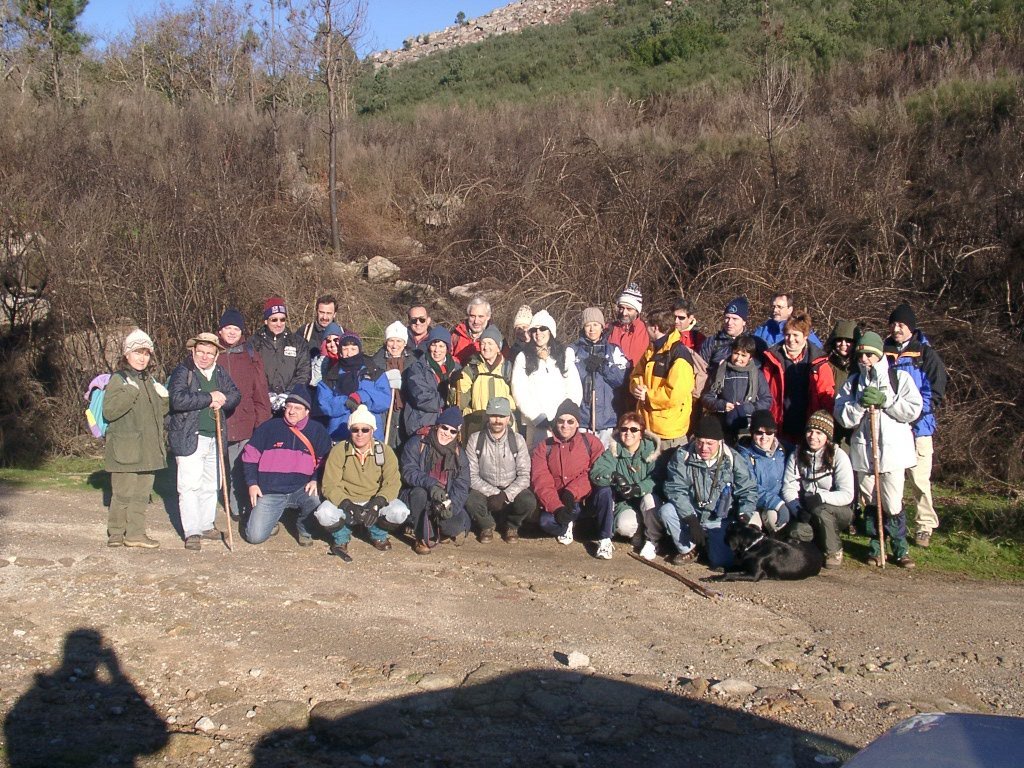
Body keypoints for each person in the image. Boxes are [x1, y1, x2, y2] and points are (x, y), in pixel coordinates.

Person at [835, 331, 923, 568]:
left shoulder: (899, 378)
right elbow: (843, 417)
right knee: (871, 500)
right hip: (865, 452)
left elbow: (913, 410)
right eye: (861, 355)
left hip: (893, 453)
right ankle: (876, 545)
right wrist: (859, 405)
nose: (864, 359)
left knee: (892, 501)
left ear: (879, 355)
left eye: (869, 355)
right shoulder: (852, 383)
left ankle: (900, 546)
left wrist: (887, 401)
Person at [167, 332, 241, 551]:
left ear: (216, 354)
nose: (205, 357)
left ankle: (206, 524)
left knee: (211, 484)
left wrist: (224, 399)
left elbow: (236, 394)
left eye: (210, 353)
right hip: (190, 436)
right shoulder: (184, 372)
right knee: (189, 485)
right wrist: (210, 398)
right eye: (201, 352)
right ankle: (192, 531)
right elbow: (177, 399)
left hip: (215, 436)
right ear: (193, 351)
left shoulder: (219, 373)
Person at [884, 302, 948, 548]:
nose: (896, 329)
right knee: (892, 481)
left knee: (919, 480)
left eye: (901, 324)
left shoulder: (925, 354)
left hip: (920, 428)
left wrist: (918, 414)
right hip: (892, 427)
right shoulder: (884, 351)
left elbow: (936, 389)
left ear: (911, 327)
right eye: (893, 324)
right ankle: (893, 526)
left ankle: (924, 526)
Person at [660, 416, 758, 568]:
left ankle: (709, 547)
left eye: (709, 444)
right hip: (691, 513)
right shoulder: (682, 456)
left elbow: (748, 490)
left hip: (719, 518)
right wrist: (691, 520)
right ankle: (689, 549)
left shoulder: (732, 458)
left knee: (721, 562)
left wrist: (744, 516)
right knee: (667, 510)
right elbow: (675, 489)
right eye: (700, 442)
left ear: (720, 442)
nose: (704, 448)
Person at [314, 405, 409, 562]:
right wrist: (347, 504)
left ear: (372, 430)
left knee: (400, 512)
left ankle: (377, 534)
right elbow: (329, 485)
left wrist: (378, 503)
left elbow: (392, 482)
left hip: (373, 498)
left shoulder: (384, 451)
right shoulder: (339, 450)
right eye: (355, 429)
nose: (359, 434)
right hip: (346, 498)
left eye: (365, 430)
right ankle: (341, 537)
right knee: (324, 514)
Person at [102, 329, 169, 548]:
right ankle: (116, 533)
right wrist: (129, 392)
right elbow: (109, 412)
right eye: (137, 352)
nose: (142, 358)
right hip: (126, 450)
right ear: (127, 355)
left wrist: (164, 399)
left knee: (141, 495)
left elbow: (158, 414)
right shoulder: (118, 380)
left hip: (148, 450)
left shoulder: (148, 380)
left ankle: (135, 534)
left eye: (146, 353)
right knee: (122, 494)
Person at [242, 386, 332, 546]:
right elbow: (249, 456)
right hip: (270, 491)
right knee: (254, 537)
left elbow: (325, 460)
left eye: (297, 408)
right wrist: (252, 483)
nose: (291, 411)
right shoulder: (269, 427)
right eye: (288, 406)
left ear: (307, 411)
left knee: (315, 499)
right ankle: (270, 520)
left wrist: (315, 479)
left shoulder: (317, 430)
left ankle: (304, 528)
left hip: (301, 489)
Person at [530, 400, 607, 557]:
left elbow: (595, 471)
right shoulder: (545, 447)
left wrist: (572, 491)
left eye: (570, 421)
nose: (565, 425)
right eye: (561, 421)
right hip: (559, 500)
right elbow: (541, 480)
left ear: (577, 423)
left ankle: (603, 536)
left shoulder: (590, 442)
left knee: (604, 492)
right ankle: (567, 525)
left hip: (584, 499)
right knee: (546, 522)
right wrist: (556, 507)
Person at [216, 309, 273, 520]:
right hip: (218, 420)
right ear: (220, 330)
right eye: (228, 328)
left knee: (240, 466)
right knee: (215, 469)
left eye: (236, 328)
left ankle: (237, 504)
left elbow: (260, 391)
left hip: (245, 419)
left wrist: (262, 422)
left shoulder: (250, 355)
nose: (232, 332)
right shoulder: (212, 353)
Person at [781, 411, 855, 568]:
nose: (812, 436)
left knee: (821, 510)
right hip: (807, 507)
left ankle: (834, 551)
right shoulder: (797, 454)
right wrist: (797, 509)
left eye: (819, 433)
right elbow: (789, 486)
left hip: (836, 510)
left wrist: (821, 497)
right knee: (796, 531)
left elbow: (847, 494)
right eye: (810, 431)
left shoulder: (839, 456)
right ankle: (818, 545)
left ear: (827, 436)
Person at [589, 411, 664, 560]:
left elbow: (657, 479)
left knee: (650, 499)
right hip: (626, 502)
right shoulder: (613, 450)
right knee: (624, 526)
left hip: (647, 499)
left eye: (634, 430)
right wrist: (614, 476)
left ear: (641, 433)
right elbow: (597, 472)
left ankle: (652, 540)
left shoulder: (651, 451)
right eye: (624, 429)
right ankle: (639, 532)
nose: (628, 433)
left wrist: (638, 488)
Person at [401, 406, 472, 554]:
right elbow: (408, 471)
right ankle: (421, 537)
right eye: (445, 428)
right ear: (438, 425)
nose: (447, 433)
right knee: (419, 493)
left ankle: (436, 528)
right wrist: (431, 485)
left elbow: (462, 486)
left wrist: (452, 506)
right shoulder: (418, 443)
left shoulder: (459, 454)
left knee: (454, 526)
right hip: (420, 495)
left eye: (453, 431)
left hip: (443, 500)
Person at [760, 310, 835, 445]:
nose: (791, 339)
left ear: (805, 336)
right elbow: (763, 390)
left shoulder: (819, 362)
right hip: (779, 423)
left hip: (808, 424)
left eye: (796, 335)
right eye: (787, 335)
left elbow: (826, 395)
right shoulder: (772, 358)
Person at [465, 397, 534, 543]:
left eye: (502, 416)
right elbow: (471, 475)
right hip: (485, 488)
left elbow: (524, 476)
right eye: (494, 416)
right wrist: (494, 493)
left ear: (508, 418)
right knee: (471, 499)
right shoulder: (475, 439)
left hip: (510, 487)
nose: (497, 420)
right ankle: (486, 525)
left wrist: (505, 495)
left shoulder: (517, 440)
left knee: (528, 501)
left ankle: (512, 526)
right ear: (487, 416)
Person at [511, 309, 583, 448]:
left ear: (550, 331)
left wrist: (566, 416)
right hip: (537, 425)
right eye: (534, 330)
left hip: (563, 424)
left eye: (543, 329)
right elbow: (519, 392)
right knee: (539, 464)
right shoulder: (523, 357)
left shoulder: (565, 355)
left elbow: (574, 388)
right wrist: (538, 418)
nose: (538, 333)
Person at [630, 309, 696, 448]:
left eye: (647, 325)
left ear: (655, 328)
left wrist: (647, 396)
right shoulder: (652, 349)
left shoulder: (679, 355)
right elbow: (636, 374)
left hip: (668, 432)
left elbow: (675, 394)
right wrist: (636, 387)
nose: (645, 329)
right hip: (647, 425)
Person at [317, 330, 392, 443]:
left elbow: (384, 400)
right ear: (340, 352)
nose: (349, 353)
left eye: (353, 349)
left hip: (370, 433)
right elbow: (325, 404)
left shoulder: (374, 372)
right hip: (340, 433)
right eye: (345, 349)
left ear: (359, 350)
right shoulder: (331, 376)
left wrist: (361, 397)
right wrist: (346, 402)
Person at [570, 307, 629, 447]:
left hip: (607, 420)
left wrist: (604, 367)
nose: (592, 329)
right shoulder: (573, 350)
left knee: (604, 460)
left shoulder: (613, 350)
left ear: (602, 327)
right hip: (582, 419)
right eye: (588, 325)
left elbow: (622, 380)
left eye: (595, 325)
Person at [700, 335, 772, 443]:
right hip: (722, 424)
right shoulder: (720, 371)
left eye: (743, 355)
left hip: (748, 425)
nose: (739, 358)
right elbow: (706, 397)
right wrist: (722, 405)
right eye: (736, 353)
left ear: (750, 357)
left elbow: (766, 400)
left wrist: (746, 408)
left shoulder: (757, 374)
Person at [453, 324, 516, 439]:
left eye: (490, 343)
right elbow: (461, 402)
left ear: (498, 347)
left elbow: (516, 396)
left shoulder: (507, 369)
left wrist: (508, 411)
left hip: (502, 425)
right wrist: (454, 387)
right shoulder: (471, 368)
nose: (486, 347)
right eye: (483, 343)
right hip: (476, 425)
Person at [251, 296, 311, 414]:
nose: (279, 324)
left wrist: (289, 394)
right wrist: (265, 393)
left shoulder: (298, 343)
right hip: (261, 404)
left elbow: (304, 373)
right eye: (274, 320)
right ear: (266, 320)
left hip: (290, 405)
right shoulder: (253, 343)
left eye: (282, 319)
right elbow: (250, 372)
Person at [402, 325, 460, 441]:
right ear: (428, 346)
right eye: (434, 345)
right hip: (423, 424)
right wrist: (448, 397)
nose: (437, 350)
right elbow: (422, 398)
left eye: (441, 346)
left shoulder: (456, 369)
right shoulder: (417, 368)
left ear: (447, 348)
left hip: (448, 428)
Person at [735, 410, 789, 534]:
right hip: (751, 503)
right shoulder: (743, 454)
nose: (764, 437)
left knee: (779, 523)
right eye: (759, 432)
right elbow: (749, 487)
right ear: (752, 433)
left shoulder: (783, 450)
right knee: (750, 531)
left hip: (775, 502)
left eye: (769, 432)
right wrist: (778, 503)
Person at [371, 321, 412, 449]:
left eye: (399, 341)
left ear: (405, 343)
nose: (394, 346)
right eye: (391, 341)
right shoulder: (375, 363)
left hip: (405, 413)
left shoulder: (413, 363)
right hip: (384, 413)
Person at [699, 296, 764, 377]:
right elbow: (700, 371)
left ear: (744, 322)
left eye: (735, 318)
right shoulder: (711, 342)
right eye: (727, 318)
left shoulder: (756, 343)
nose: (729, 322)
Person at [826, 319, 859, 448]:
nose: (843, 345)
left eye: (848, 341)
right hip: (831, 420)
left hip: (855, 423)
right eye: (839, 340)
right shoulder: (826, 364)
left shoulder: (860, 366)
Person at [753, 292, 822, 348]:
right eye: (773, 306)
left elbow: (818, 349)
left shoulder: (799, 328)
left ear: (790, 310)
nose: (775, 310)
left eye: (779, 307)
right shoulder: (763, 330)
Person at [607, 282, 649, 370]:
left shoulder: (648, 332)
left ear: (637, 311)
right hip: (611, 381)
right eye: (621, 308)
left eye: (629, 309)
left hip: (636, 381)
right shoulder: (608, 329)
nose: (624, 313)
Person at [450, 296, 495, 366]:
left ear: (488, 317)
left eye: (480, 316)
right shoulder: (456, 333)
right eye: (472, 316)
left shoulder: (496, 338)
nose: (476, 321)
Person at [300, 294, 340, 364]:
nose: (324, 317)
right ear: (316, 311)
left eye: (328, 313)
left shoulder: (343, 333)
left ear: (334, 314)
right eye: (321, 312)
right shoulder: (304, 332)